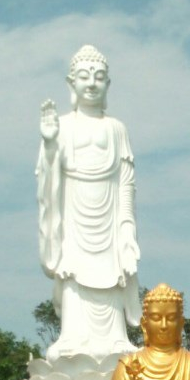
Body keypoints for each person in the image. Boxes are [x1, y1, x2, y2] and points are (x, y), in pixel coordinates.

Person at [37, 44, 141, 358]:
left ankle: (116, 338)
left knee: (114, 272)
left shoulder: (116, 129)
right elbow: (47, 180)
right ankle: (72, 337)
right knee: (72, 270)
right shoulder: (61, 126)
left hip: (109, 225)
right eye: (84, 77)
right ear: (72, 83)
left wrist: (126, 229)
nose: (92, 83)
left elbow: (126, 183)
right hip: (73, 222)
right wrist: (50, 145)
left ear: (108, 84)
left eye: (98, 77)